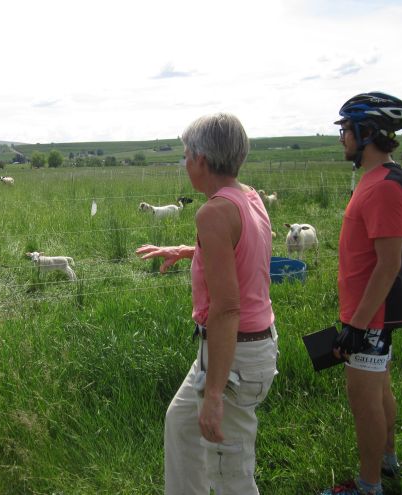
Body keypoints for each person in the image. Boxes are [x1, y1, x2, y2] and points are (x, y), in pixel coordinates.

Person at [136, 113, 277, 495]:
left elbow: (228, 307)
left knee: (230, 472)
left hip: (234, 357)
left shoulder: (213, 212)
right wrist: (186, 251)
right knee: (182, 424)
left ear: (201, 159)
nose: (185, 164)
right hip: (244, 347)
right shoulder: (249, 197)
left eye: (186, 155)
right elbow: (242, 252)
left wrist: (214, 394)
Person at [321, 92, 402, 495]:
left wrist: (356, 326)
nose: (341, 138)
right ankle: (387, 461)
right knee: (381, 387)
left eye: (345, 130)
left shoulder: (385, 187)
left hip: (368, 315)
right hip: (368, 311)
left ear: (366, 132)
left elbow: (389, 264)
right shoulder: (374, 180)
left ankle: (368, 485)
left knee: (364, 399)